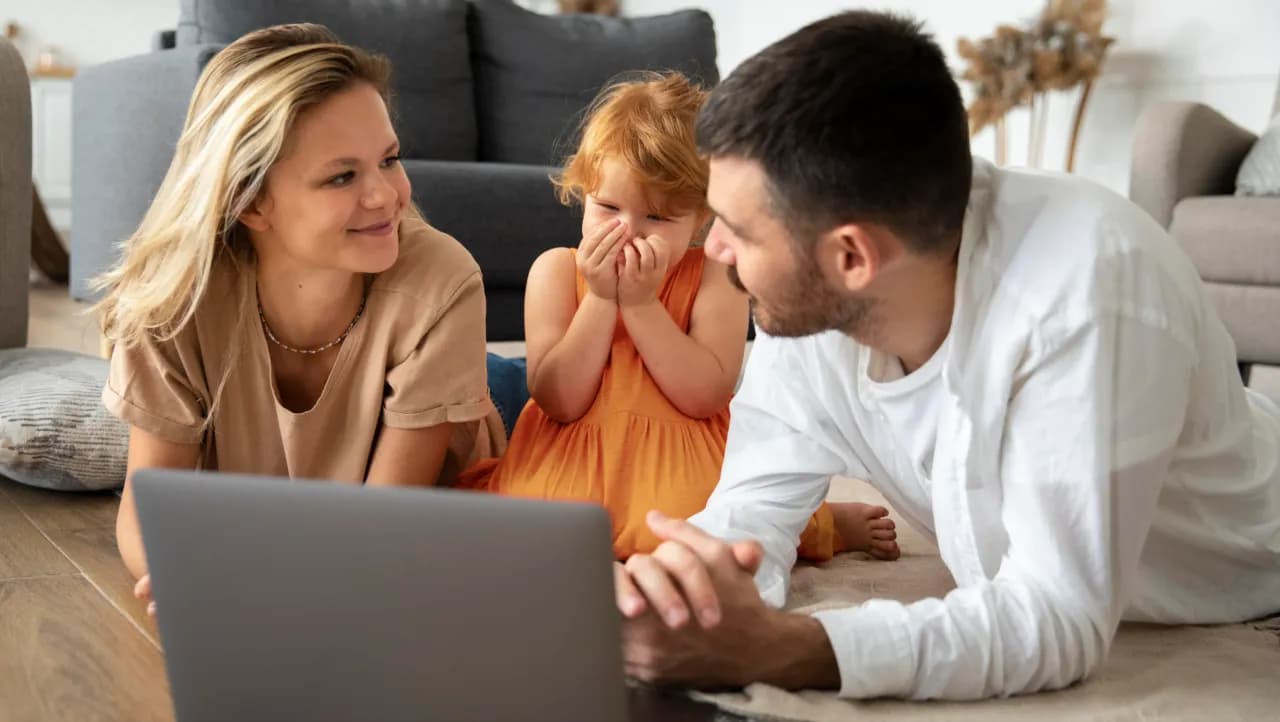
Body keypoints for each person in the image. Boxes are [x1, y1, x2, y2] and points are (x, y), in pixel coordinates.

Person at [612, 10, 1280, 700]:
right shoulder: (807, 309)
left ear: (852, 256)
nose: (713, 250)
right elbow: (751, 512)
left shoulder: (1087, 292)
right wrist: (679, 596)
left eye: (739, 230)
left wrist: (790, 650)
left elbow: (1058, 617)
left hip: (1255, 558)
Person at [94, 24, 504, 614]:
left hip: (453, 417)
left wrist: (270, 590)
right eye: (343, 176)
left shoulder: (443, 281)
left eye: (389, 159)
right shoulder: (171, 301)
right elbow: (146, 503)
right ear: (250, 200)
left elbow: (380, 527)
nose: (386, 196)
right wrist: (181, 574)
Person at [459, 73, 899, 562]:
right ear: (583, 192)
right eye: (607, 207)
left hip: (682, 452)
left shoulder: (714, 274)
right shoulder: (556, 270)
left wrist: (643, 306)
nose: (627, 230)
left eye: (658, 218)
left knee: (722, 528)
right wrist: (602, 300)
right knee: (520, 528)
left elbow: (705, 394)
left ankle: (822, 524)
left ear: (701, 219)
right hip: (572, 452)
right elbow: (559, 400)